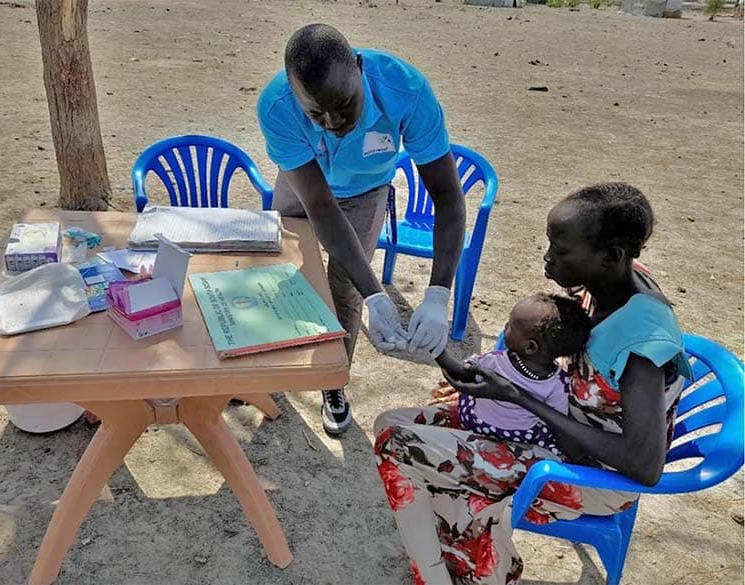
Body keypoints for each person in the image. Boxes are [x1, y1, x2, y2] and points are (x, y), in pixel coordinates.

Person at [373, 183, 691, 584]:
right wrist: (501, 383)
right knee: (389, 422)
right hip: (548, 428)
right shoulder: (608, 284)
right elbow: (549, 347)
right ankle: (454, 560)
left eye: (560, 251)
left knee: (396, 446)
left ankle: (435, 576)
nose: (547, 258)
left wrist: (515, 396)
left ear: (612, 256)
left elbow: (644, 467)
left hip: (593, 473)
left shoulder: (641, 340)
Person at [257, 24, 466, 435]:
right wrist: (378, 292)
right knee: (282, 275)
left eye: (345, 104)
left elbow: (446, 194)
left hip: (367, 191)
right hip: (304, 182)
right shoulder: (277, 106)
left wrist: (438, 294)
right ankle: (270, 366)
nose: (334, 122)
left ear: (359, 68)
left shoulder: (405, 90)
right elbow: (319, 204)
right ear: (295, 96)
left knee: (346, 289)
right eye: (316, 114)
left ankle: (333, 382)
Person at [435, 293, 592, 457]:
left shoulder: (495, 361)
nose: (504, 326)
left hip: (474, 422)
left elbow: (461, 372)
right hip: (521, 437)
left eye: (510, 326)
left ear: (530, 347)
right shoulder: (558, 383)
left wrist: (437, 351)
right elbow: (557, 419)